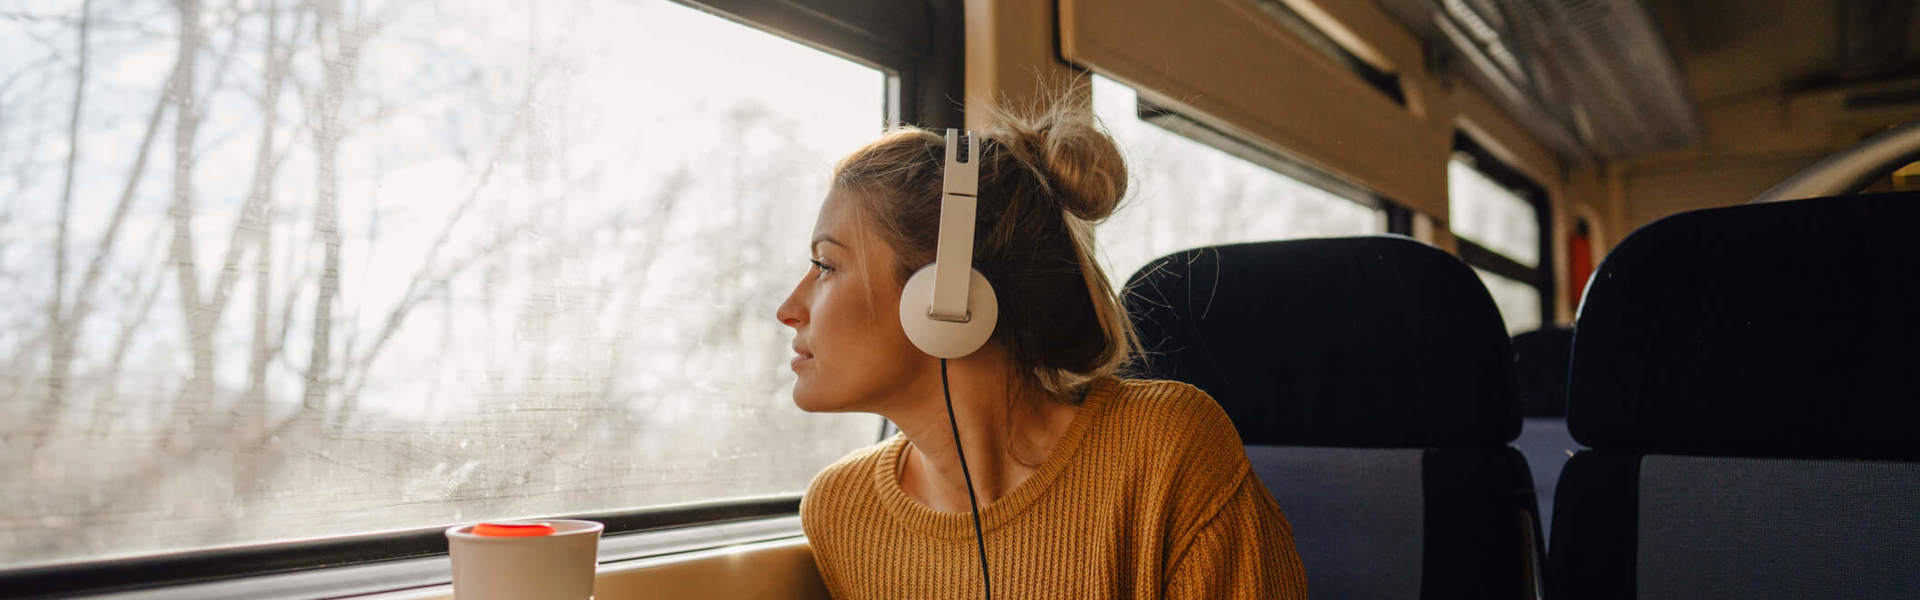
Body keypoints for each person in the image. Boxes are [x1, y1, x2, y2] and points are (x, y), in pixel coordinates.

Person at [775, 100, 1307, 599]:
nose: (787, 308)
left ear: (943, 293)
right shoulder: (842, 512)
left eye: (825, 265)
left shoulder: (1167, 450)